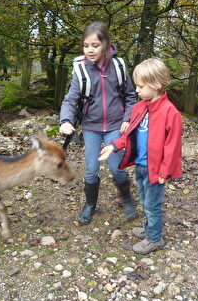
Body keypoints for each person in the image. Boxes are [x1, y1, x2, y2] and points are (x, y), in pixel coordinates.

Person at [98, 58, 182, 254]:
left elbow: (173, 147)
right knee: (145, 200)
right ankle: (148, 230)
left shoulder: (171, 113)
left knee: (152, 205)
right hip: (141, 165)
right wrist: (114, 146)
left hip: (156, 169)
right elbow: (129, 136)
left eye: (141, 86)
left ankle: (155, 239)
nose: (137, 90)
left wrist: (165, 171)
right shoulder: (140, 107)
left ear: (156, 85)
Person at [59, 22, 137, 224]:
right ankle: (90, 204)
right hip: (91, 127)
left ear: (105, 45)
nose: (90, 50)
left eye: (95, 45)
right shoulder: (80, 69)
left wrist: (128, 118)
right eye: (86, 46)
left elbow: (130, 96)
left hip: (115, 125)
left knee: (117, 167)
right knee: (91, 169)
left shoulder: (118, 67)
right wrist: (66, 120)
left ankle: (127, 199)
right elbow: (71, 98)